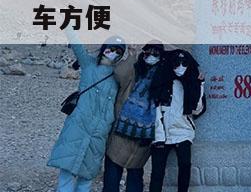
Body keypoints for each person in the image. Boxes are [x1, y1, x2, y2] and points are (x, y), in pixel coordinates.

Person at [48, 29, 126, 192]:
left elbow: (133, 71)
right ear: (104, 48)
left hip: (99, 132)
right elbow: (77, 45)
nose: (113, 53)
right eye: (111, 48)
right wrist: (68, 26)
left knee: (87, 175)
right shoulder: (88, 63)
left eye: (118, 52)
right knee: (67, 170)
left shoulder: (119, 76)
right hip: (78, 126)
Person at [102, 41, 167, 192]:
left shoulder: (162, 79)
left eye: (155, 54)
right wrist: (131, 56)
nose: (151, 56)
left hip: (143, 137)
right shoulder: (136, 71)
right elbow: (120, 74)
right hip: (121, 130)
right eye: (148, 53)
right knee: (112, 173)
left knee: (135, 176)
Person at [149, 49, 206, 192]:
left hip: (183, 131)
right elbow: (155, 108)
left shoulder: (191, 82)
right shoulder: (161, 81)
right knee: (157, 172)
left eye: (184, 63)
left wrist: (200, 85)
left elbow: (197, 110)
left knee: (185, 166)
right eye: (176, 63)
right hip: (162, 133)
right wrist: (159, 135)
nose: (180, 67)